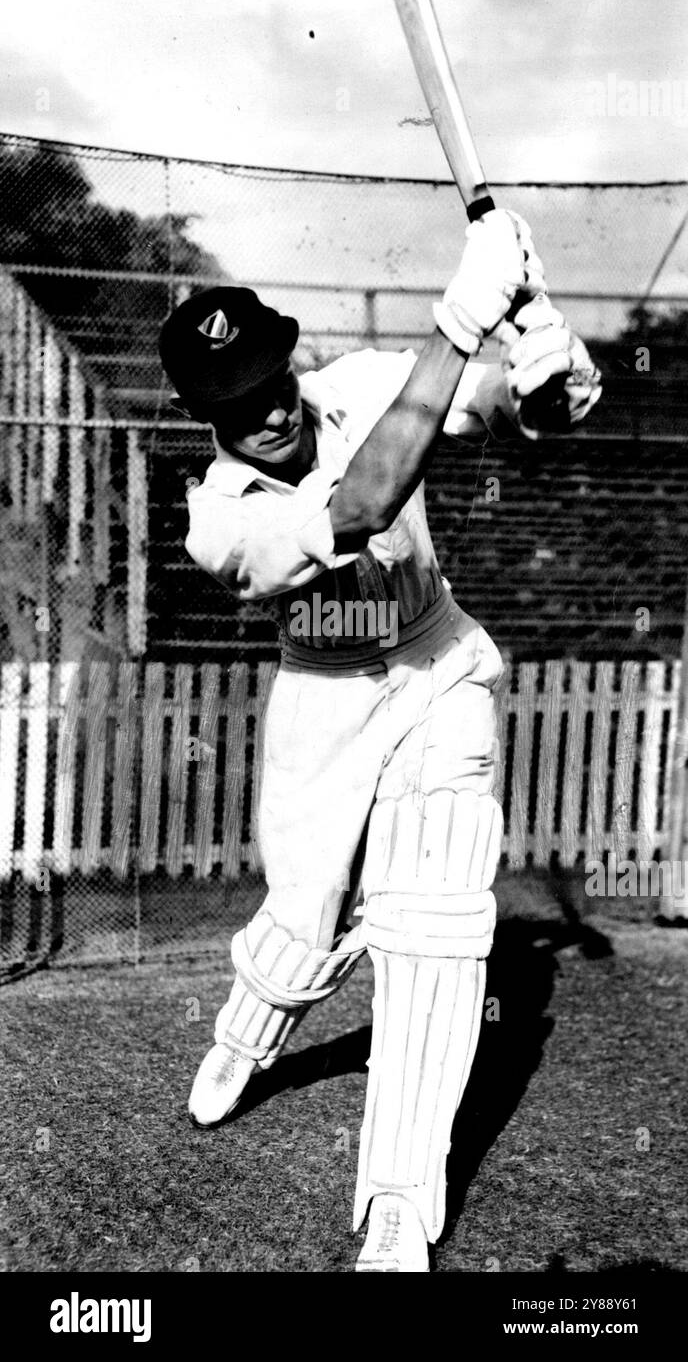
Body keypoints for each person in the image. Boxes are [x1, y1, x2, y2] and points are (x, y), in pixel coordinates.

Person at [158, 210, 601, 1272]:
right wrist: (456, 316)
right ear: (199, 413)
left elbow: (494, 407)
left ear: (290, 356)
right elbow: (361, 504)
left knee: (438, 927)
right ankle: (247, 1033)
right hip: (328, 697)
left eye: (271, 376)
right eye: (234, 401)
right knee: (304, 926)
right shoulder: (217, 519)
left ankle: (400, 1190)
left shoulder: (352, 383)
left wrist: (544, 372)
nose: (266, 409)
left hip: (438, 667)